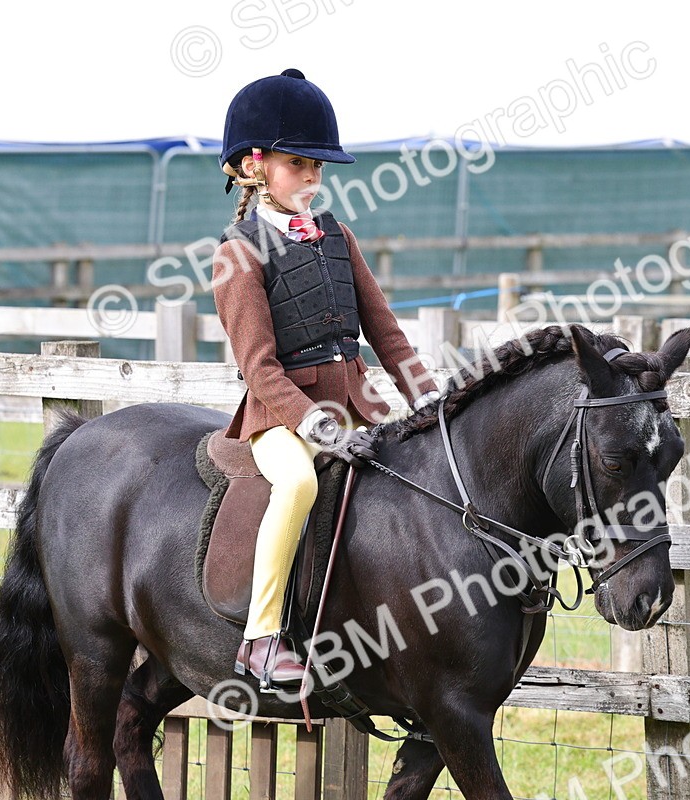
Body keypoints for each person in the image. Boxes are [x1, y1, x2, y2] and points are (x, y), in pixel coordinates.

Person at [211, 69, 440, 690]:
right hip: (283, 416)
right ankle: (260, 640)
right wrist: (309, 418)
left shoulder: (339, 236)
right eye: (299, 164)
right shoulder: (238, 253)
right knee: (297, 485)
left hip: (358, 405)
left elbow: (386, 333)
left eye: (319, 167)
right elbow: (257, 366)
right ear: (254, 167)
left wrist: (429, 399)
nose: (313, 178)